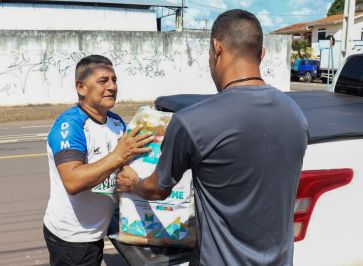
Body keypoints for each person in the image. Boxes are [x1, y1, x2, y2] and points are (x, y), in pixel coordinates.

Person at [116, 9, 309, 266]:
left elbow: (158, 189)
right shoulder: (295, 114)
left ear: (216, 48)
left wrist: (133, 183)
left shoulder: (193, 121)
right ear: (261, 54)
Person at [43, 54, 153, 266]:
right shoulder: (69, 125)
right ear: (82, 88)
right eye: (103, 81)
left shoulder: (116, 121)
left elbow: (123, 165)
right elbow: (73, 181)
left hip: (98, 229)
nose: (112, 86)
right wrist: (118, 155)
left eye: (114, 80)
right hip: (72, 237)